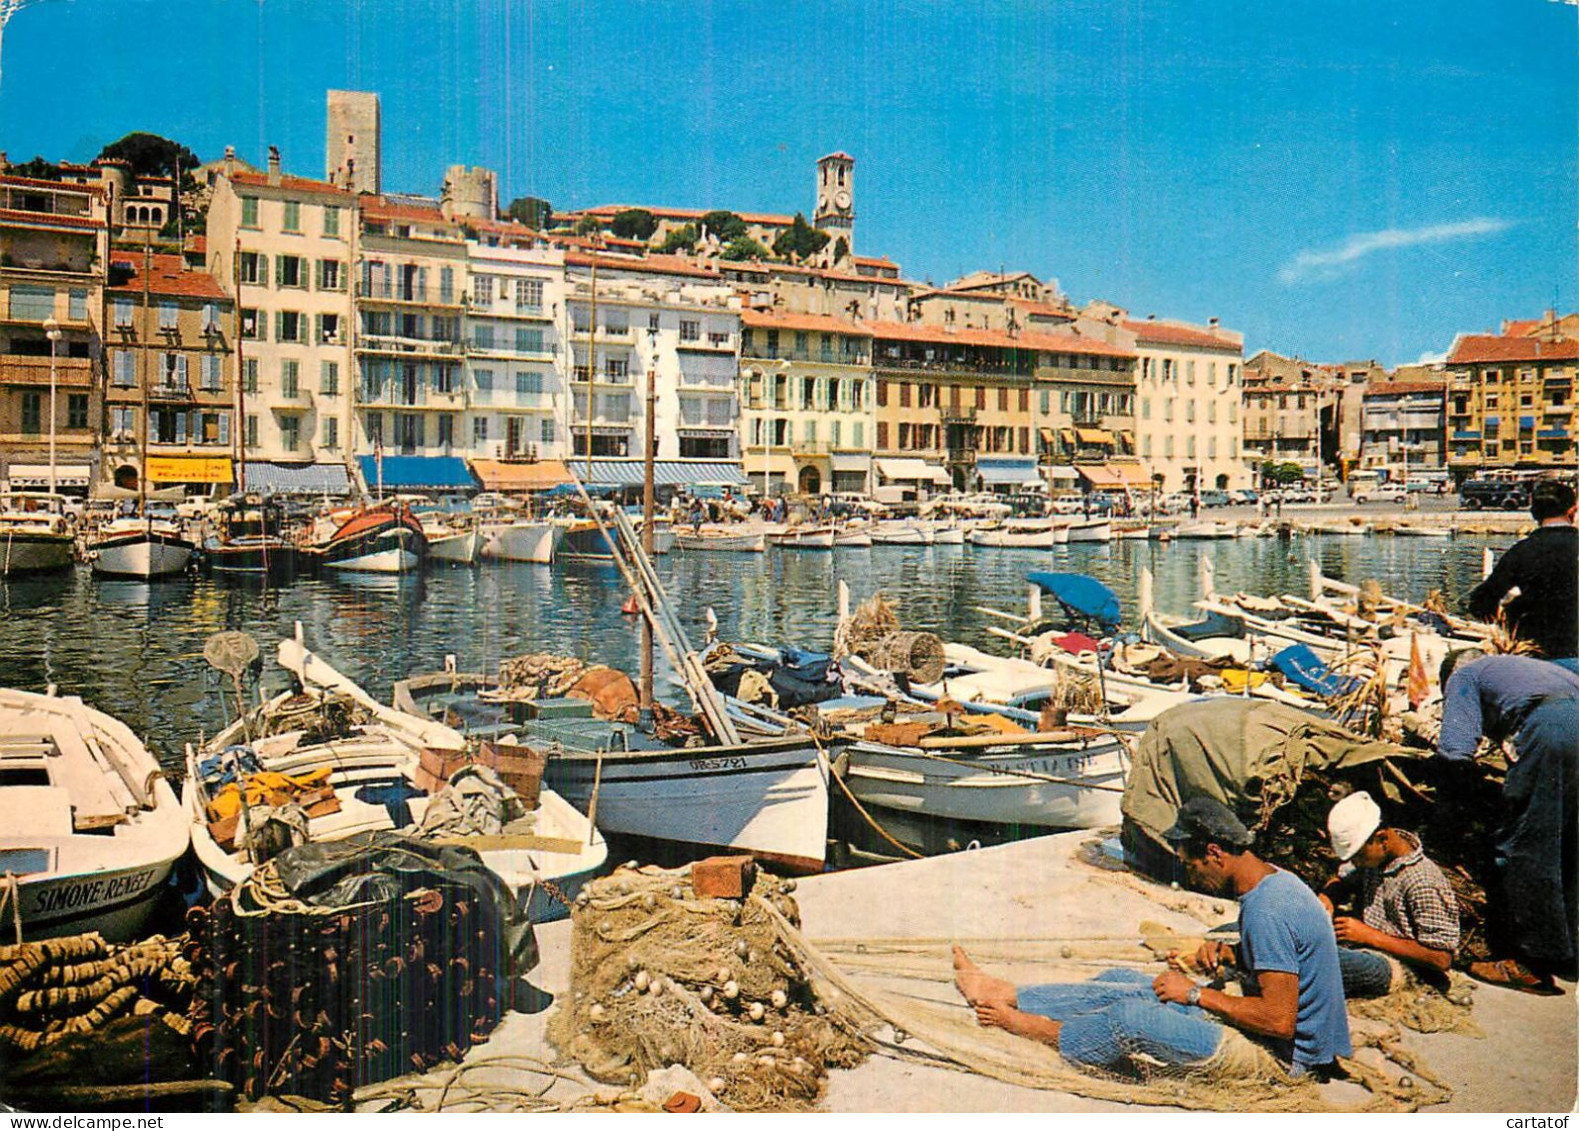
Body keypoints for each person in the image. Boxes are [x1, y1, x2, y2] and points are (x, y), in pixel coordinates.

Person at [953, 797, 1350, 1078]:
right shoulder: (1279, 883)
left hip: (1284, 1058)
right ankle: (1012, 994)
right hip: (1285, 1038)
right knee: (1121, 982)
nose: (1192, 876)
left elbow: (1279, 1021)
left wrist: (1196, 995)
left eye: (1192, 864)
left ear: (1214, 852)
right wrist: (1233, 954)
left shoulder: (1267, 911)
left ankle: (1041, 1029)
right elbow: (1286, 958)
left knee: (1130, 1018)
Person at [1437, 652, 1579, 994]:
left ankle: (1531, 964)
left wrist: (1456, 807)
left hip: (1554, 730)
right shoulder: (1529, 665)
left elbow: (1455, 753)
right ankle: (1570, 951)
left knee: (1526, 844)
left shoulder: (1464, 675)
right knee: (1572, 842)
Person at [1318, 792, 1459, 997]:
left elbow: (1441, 958)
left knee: (1322, 960)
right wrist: (1328, 897)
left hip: (1400, 968)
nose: (1355, 863)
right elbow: (1343, 879)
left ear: (1383, 839)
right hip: (1362, 948)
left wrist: (1369, 936)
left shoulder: (1423, 881)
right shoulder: (1375, 860)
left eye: (1358, 856)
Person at [1464, 479, 1578, 666]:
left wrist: (1512, 615)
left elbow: (1480, 603)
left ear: (1534, 513)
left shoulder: (1522, 552)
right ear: (1572, 510)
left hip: (1539, 658)